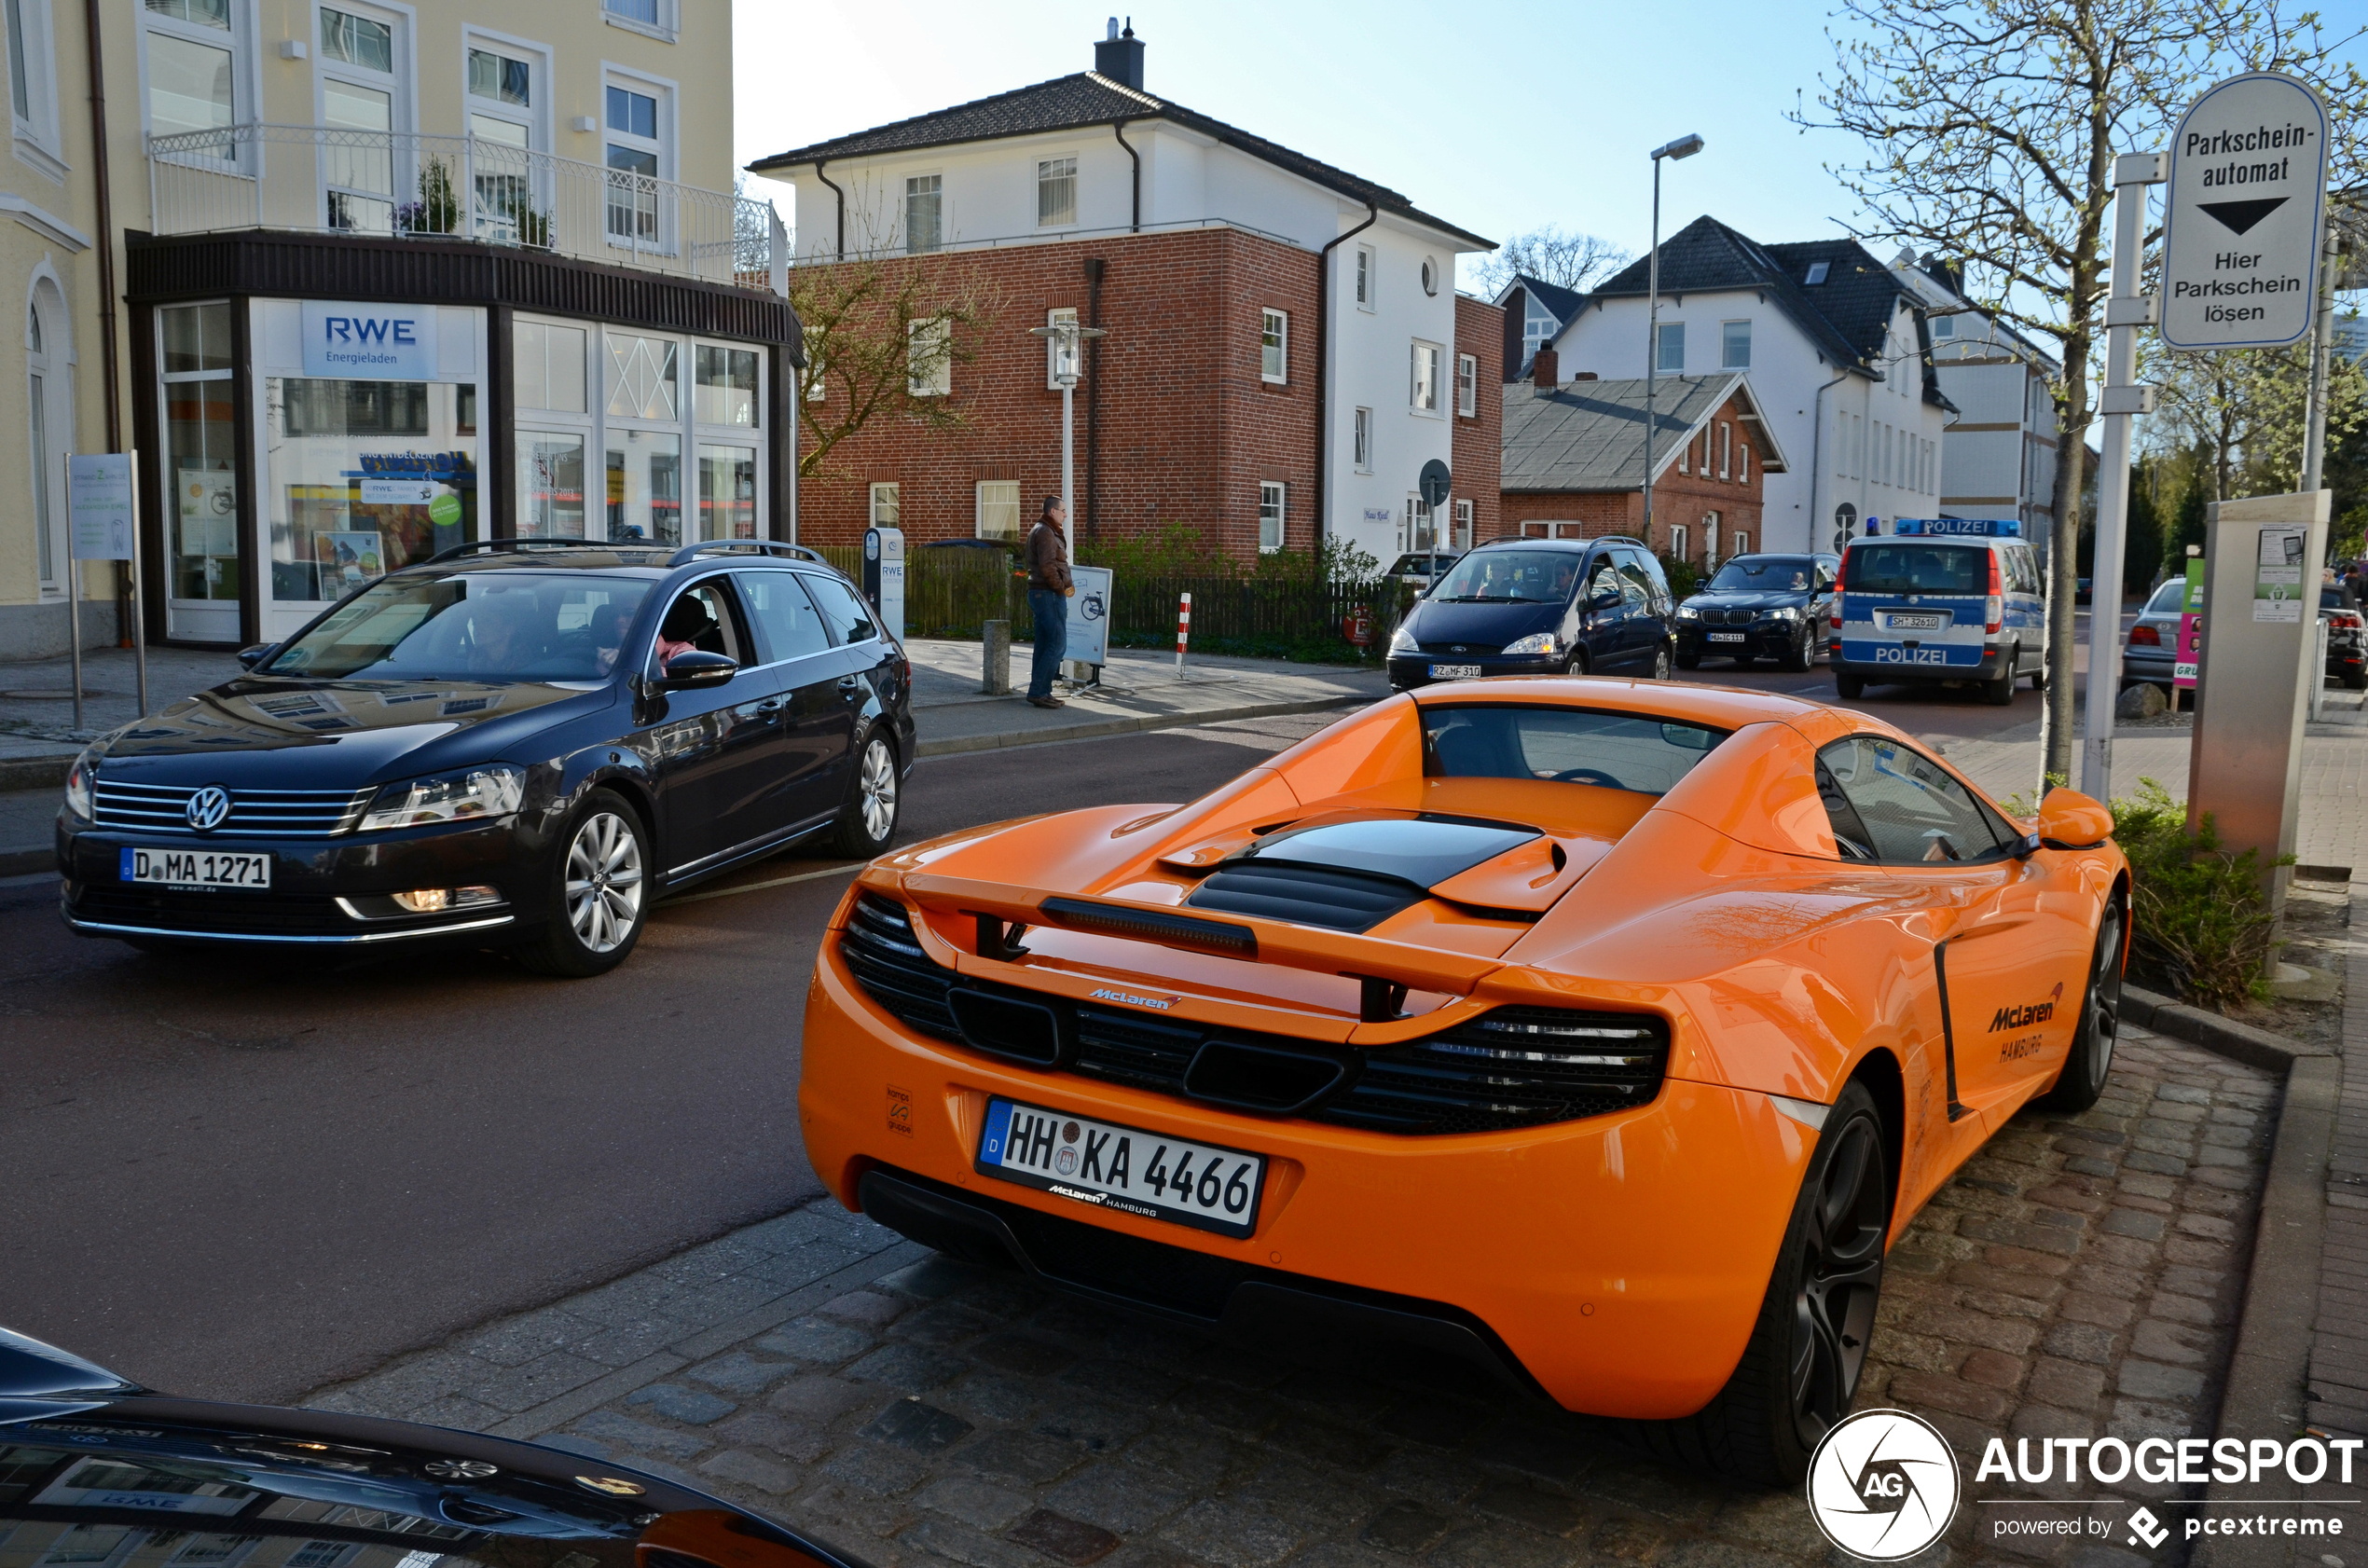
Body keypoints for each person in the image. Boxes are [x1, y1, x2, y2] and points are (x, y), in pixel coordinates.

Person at [1024, 496, 1074, 708]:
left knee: (1045, 645)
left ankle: (1042, 691)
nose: (1066, 514)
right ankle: (1038, 692)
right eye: (1063, 510)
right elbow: (1047, 566)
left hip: (1042, 593)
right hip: (1048, 594)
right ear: (1052, 511)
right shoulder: (1045, 532)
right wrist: (1060, 588)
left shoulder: (1044, 530)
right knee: (1057, 644)